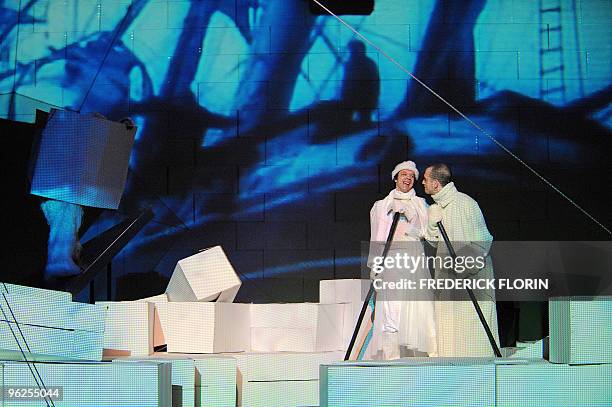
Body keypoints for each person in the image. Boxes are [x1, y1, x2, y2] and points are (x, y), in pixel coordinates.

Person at [422, 163, 500, 357]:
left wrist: (464, 267)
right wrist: (432, 224)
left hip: (470, 283)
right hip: (449, 283)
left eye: (425, 179)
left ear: (436, 183)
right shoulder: (437, 207)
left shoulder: (466, 203)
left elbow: (483, 241)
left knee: (473, 335)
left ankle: (479, 380)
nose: (422, 182)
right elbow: (433, 243)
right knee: (450, 333)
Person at [368, 161, 437, 360]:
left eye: (411, 176)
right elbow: (376, 237)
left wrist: (411, 223)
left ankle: (428, 353)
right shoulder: (381, 206)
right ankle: (392, 358)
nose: (407, 178)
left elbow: (426, 234)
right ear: (396, 177)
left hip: (412, 259)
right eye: (403, 174)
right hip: (390, 260)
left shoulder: (421, 204)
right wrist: (374, 264)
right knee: (392, 308)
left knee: (416, 307)